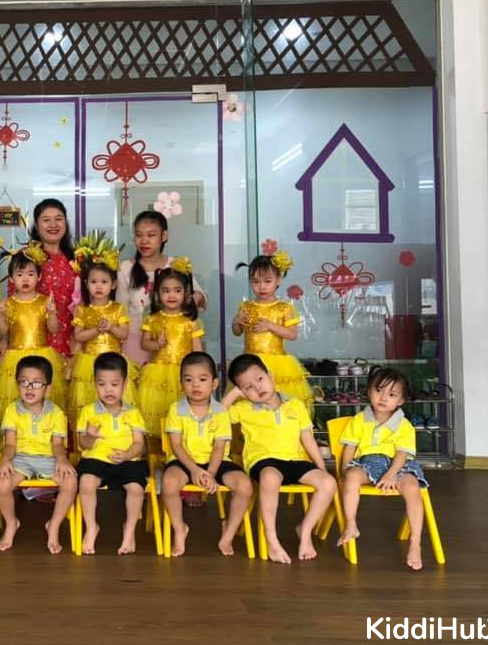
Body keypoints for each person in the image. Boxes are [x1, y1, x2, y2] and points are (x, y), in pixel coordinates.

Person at [227, 354, 337, 564]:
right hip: (263, 461)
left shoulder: (295, 404)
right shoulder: (243, 408)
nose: (257, 388)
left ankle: (305, 530)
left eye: (260, 379)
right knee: (270, 477)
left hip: (293, 461)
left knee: (328, 483)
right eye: (248, 387)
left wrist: (320, 466)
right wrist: (234, 395)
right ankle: (272, 540)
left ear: (270, 375)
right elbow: (215, 417)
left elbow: (307, 437)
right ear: (242, 391)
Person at [336, 367, 430, 570]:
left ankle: (415, 543)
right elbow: (349, 448)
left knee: (412, 488)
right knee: (351, 477)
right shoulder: (359, 420)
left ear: (401, 401)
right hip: (367, 462)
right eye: (378, 390)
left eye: (392, 394)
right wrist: (344, 471)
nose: (384, 397)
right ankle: (351, 524)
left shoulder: (404, 425)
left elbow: (402, 454)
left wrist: (390, 475)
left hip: (398, 465)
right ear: (369, 391)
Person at [161, 352, 253, 557]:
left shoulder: (220, 412)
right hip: (184, 461)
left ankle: (228, 533)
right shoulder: (176, 409)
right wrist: (194, 470)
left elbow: (219, 448)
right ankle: (179, 528)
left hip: (216, 462)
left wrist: (210, 473)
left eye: (202, 380)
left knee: (245, 485)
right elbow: (176, 445)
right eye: (188, 380)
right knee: (168, 483)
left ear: (214, 384)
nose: (195, 385)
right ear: (181, 384)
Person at [0, 355, 77, 554]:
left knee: (71, 482)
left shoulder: (56, 413)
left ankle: (53, 526)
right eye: (24, 382)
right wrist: (4, 461)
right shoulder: (12, 410)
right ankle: (11, 523)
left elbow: (57, 445)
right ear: (17, 384)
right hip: (20, 459)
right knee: (1, 484)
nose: (29, 388)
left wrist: (62, 459)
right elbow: (10, 444)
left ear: (47, 388)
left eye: (37, 383)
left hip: (48, 459)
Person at [75, 352, 148, 555]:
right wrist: (90, 437)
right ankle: (91, 527)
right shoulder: (88, 411)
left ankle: (129, 532)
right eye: (102, 384)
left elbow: (139, 444)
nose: (108, 390)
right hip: (96, 460)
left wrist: (127, 455)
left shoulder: (133, 412)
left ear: (125, 384)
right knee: (86, 482)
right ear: (94, 384)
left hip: (128, 461)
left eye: (114, 384)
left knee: (136, 489)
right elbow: (83, 445)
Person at [116, 210, 206, 366]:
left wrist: (193, 300)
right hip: (136, 341)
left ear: (164, 236)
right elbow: (120, 311)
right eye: (138, 235)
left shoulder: (176, 264)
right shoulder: (125, 268)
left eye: (151, 235)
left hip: (174, 342)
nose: (144, 241)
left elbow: (201, 297)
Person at [226, 248, 312, 410]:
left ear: (278, 281)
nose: (261, 286)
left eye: (267, 281)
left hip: (276, 364)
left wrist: (271, 326)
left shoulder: (284, 308)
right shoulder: (246, 306)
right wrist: (236, 321)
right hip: (249, 361)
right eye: (255, 281)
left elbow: (292, 334)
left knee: (277, 402)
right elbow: (237, 332)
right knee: (250, 403)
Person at [67, 234, 138, 423]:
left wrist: (111, 327)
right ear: (86, 284)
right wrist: (97, 330)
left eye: (104, 282)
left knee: (116, 402)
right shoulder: (82, 309)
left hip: (114, 361)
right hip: (88, 362)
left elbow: (124, 334)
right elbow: (79, 336)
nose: (99, 286)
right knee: (90, 403)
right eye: (93, 282)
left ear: (113, 285)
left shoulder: (118, 308)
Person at [0, 244, 67, 418]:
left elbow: (53, 329)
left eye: (30, 274)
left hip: (42, 355)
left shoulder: (44, 301)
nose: (25, 279)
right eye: (20, 274)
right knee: (16, 398)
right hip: (15, 357)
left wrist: (52, 313)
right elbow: (3, 332)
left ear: (38, 277)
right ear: (11, 279)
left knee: (42, 397)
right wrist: (0, 317)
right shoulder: (8, 303)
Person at [137, 258, 204, 437]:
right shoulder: (153, 319)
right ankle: (158, 447)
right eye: (166, 291)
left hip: (183, 373)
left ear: (186, 293)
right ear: (158, 293)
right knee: (158, 410)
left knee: (181, 414)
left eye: (177, 290)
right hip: (157, 372)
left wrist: (200, 371)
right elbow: (144, 343)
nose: (171, 295)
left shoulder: (190, 321)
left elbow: (197, 349)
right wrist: (157, 344)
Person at [5, 198, 78, 359]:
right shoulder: (25, 257)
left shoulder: (77, 259)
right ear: (37, 227)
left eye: (58, 219)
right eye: (46, 220)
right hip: (31, 341)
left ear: (65, 224)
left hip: (71, 340)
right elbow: (12, 305)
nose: (53, 224)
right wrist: (4, 340)